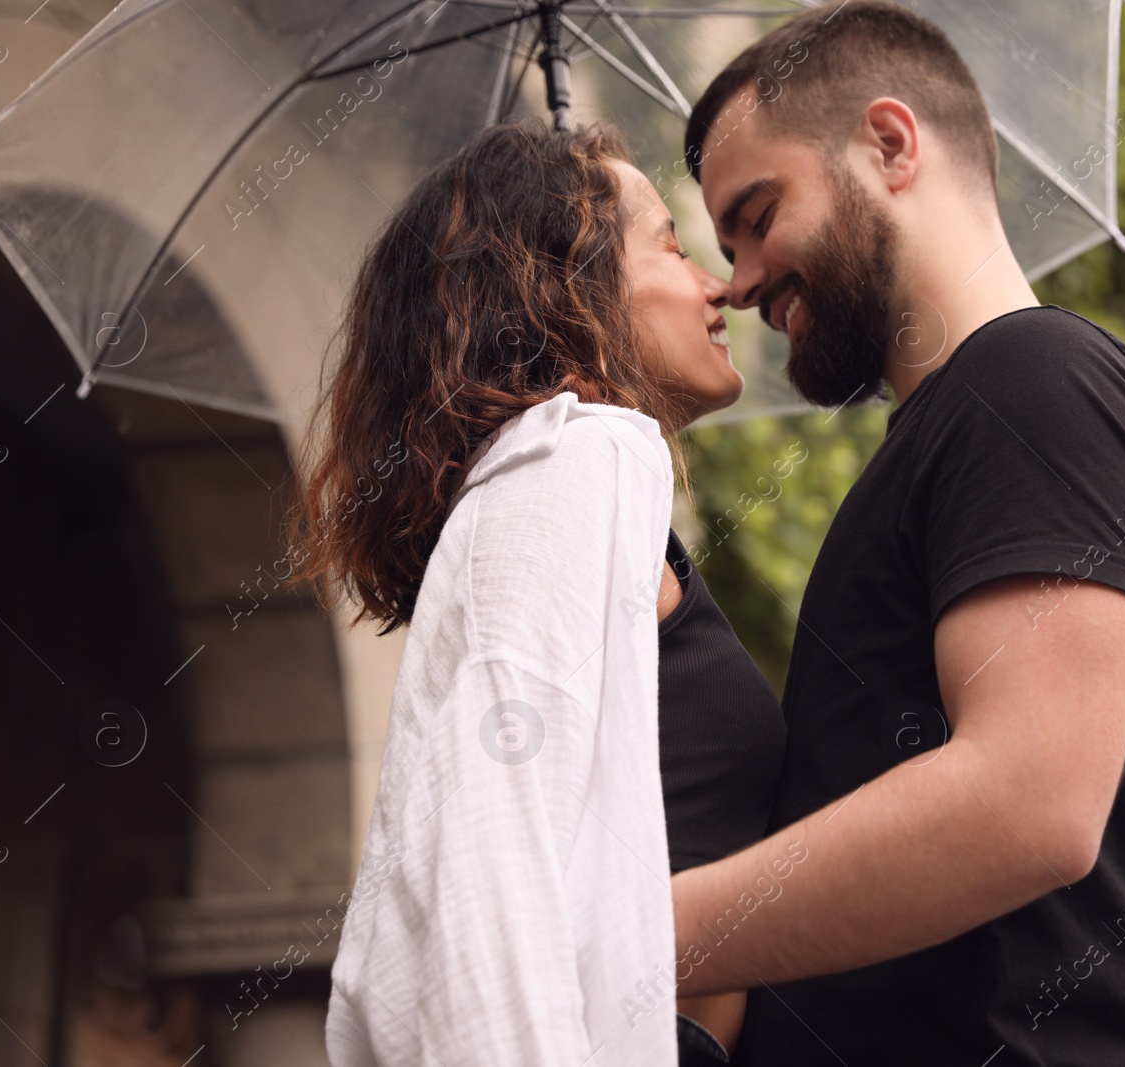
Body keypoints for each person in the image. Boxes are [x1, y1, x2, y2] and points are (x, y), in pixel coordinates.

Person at [668, 3, 1125, 1065]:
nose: (738, 281)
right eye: (721, 242)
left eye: (757, 212)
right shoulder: (958, 428)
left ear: (888, 142)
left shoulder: (1036, 385)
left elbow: (1029, 798)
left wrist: (638, 935)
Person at [289, 121, 784, 1066]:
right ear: (564, 284)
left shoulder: (575, 484)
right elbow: (489, 852)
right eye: (674, 247)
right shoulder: (577, 455)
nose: (720, 285)